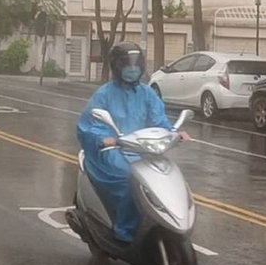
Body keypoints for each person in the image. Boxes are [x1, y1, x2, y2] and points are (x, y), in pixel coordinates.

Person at [76, 42, 191, 242]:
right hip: (112, 152)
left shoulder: (147, 93)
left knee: (163, 176)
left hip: (142, 150)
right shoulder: (104, 94)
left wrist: (174, 133)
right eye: (127, 64)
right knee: (130, 180)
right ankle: (124, 231)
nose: (132, 69)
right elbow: (89, 125)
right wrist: (103, 138)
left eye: (136, 64)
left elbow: (159, 120)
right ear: (116, 67)